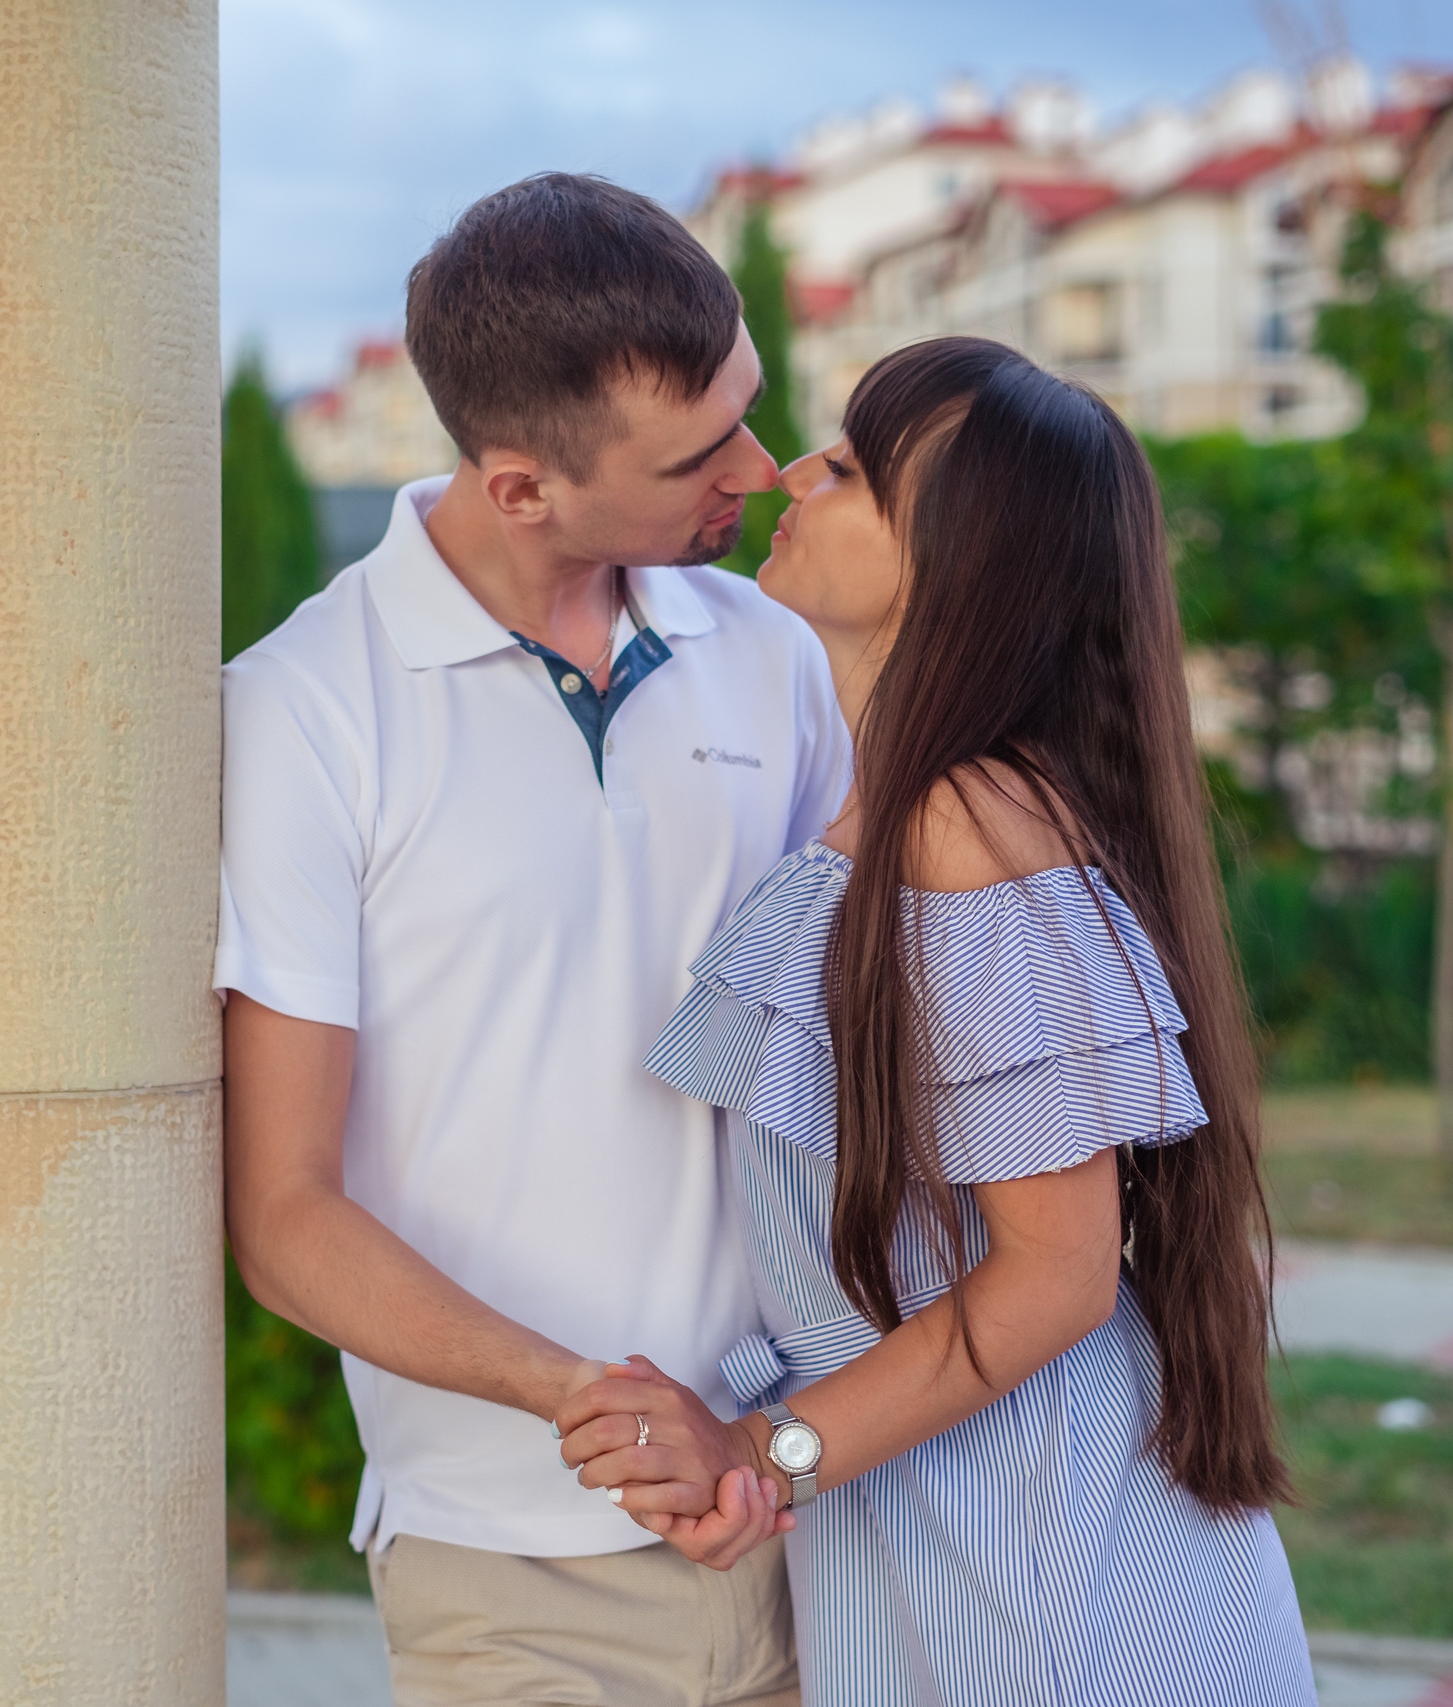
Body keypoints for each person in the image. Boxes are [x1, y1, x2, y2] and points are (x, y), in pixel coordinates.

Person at [557, 336, 1316, 1706]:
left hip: (1017, 1529)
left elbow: (1056, 1273)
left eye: (847, 469)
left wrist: (763, 1450)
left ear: (957, 563)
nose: (792, 472)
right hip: (943, 1496)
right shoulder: (910, 811)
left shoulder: (963, 827)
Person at [218, 172, 850, 1707]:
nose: (759, 472)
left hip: (819, 1530)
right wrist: (590, 1403)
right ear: (520, 489)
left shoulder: (775, 656)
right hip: (508, 1578)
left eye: (750, 409)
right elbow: (285, 1216)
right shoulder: (303, 711)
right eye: (699, 454)